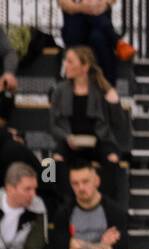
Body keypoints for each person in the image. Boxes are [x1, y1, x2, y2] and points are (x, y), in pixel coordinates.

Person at [49, 46, 122, 203]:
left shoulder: (101, 89)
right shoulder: (59, 90)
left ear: (84, 66)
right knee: (49, 163)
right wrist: (66, 137)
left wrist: (114, 102)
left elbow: (118, 123)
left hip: (99, 141)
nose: (65, 65)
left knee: (113, 157)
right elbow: (53, 125)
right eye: (65, 61)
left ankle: (103, 201)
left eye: (70, 61)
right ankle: (63, 201)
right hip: (70, 141)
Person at [57, 0, 131, 87]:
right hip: (76, 27)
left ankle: (107, 89)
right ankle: (116, 41)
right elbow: (64, 3)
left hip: (97, 28)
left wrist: (103, 4)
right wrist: (82, 7)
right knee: (96, 30)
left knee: (98, 38)